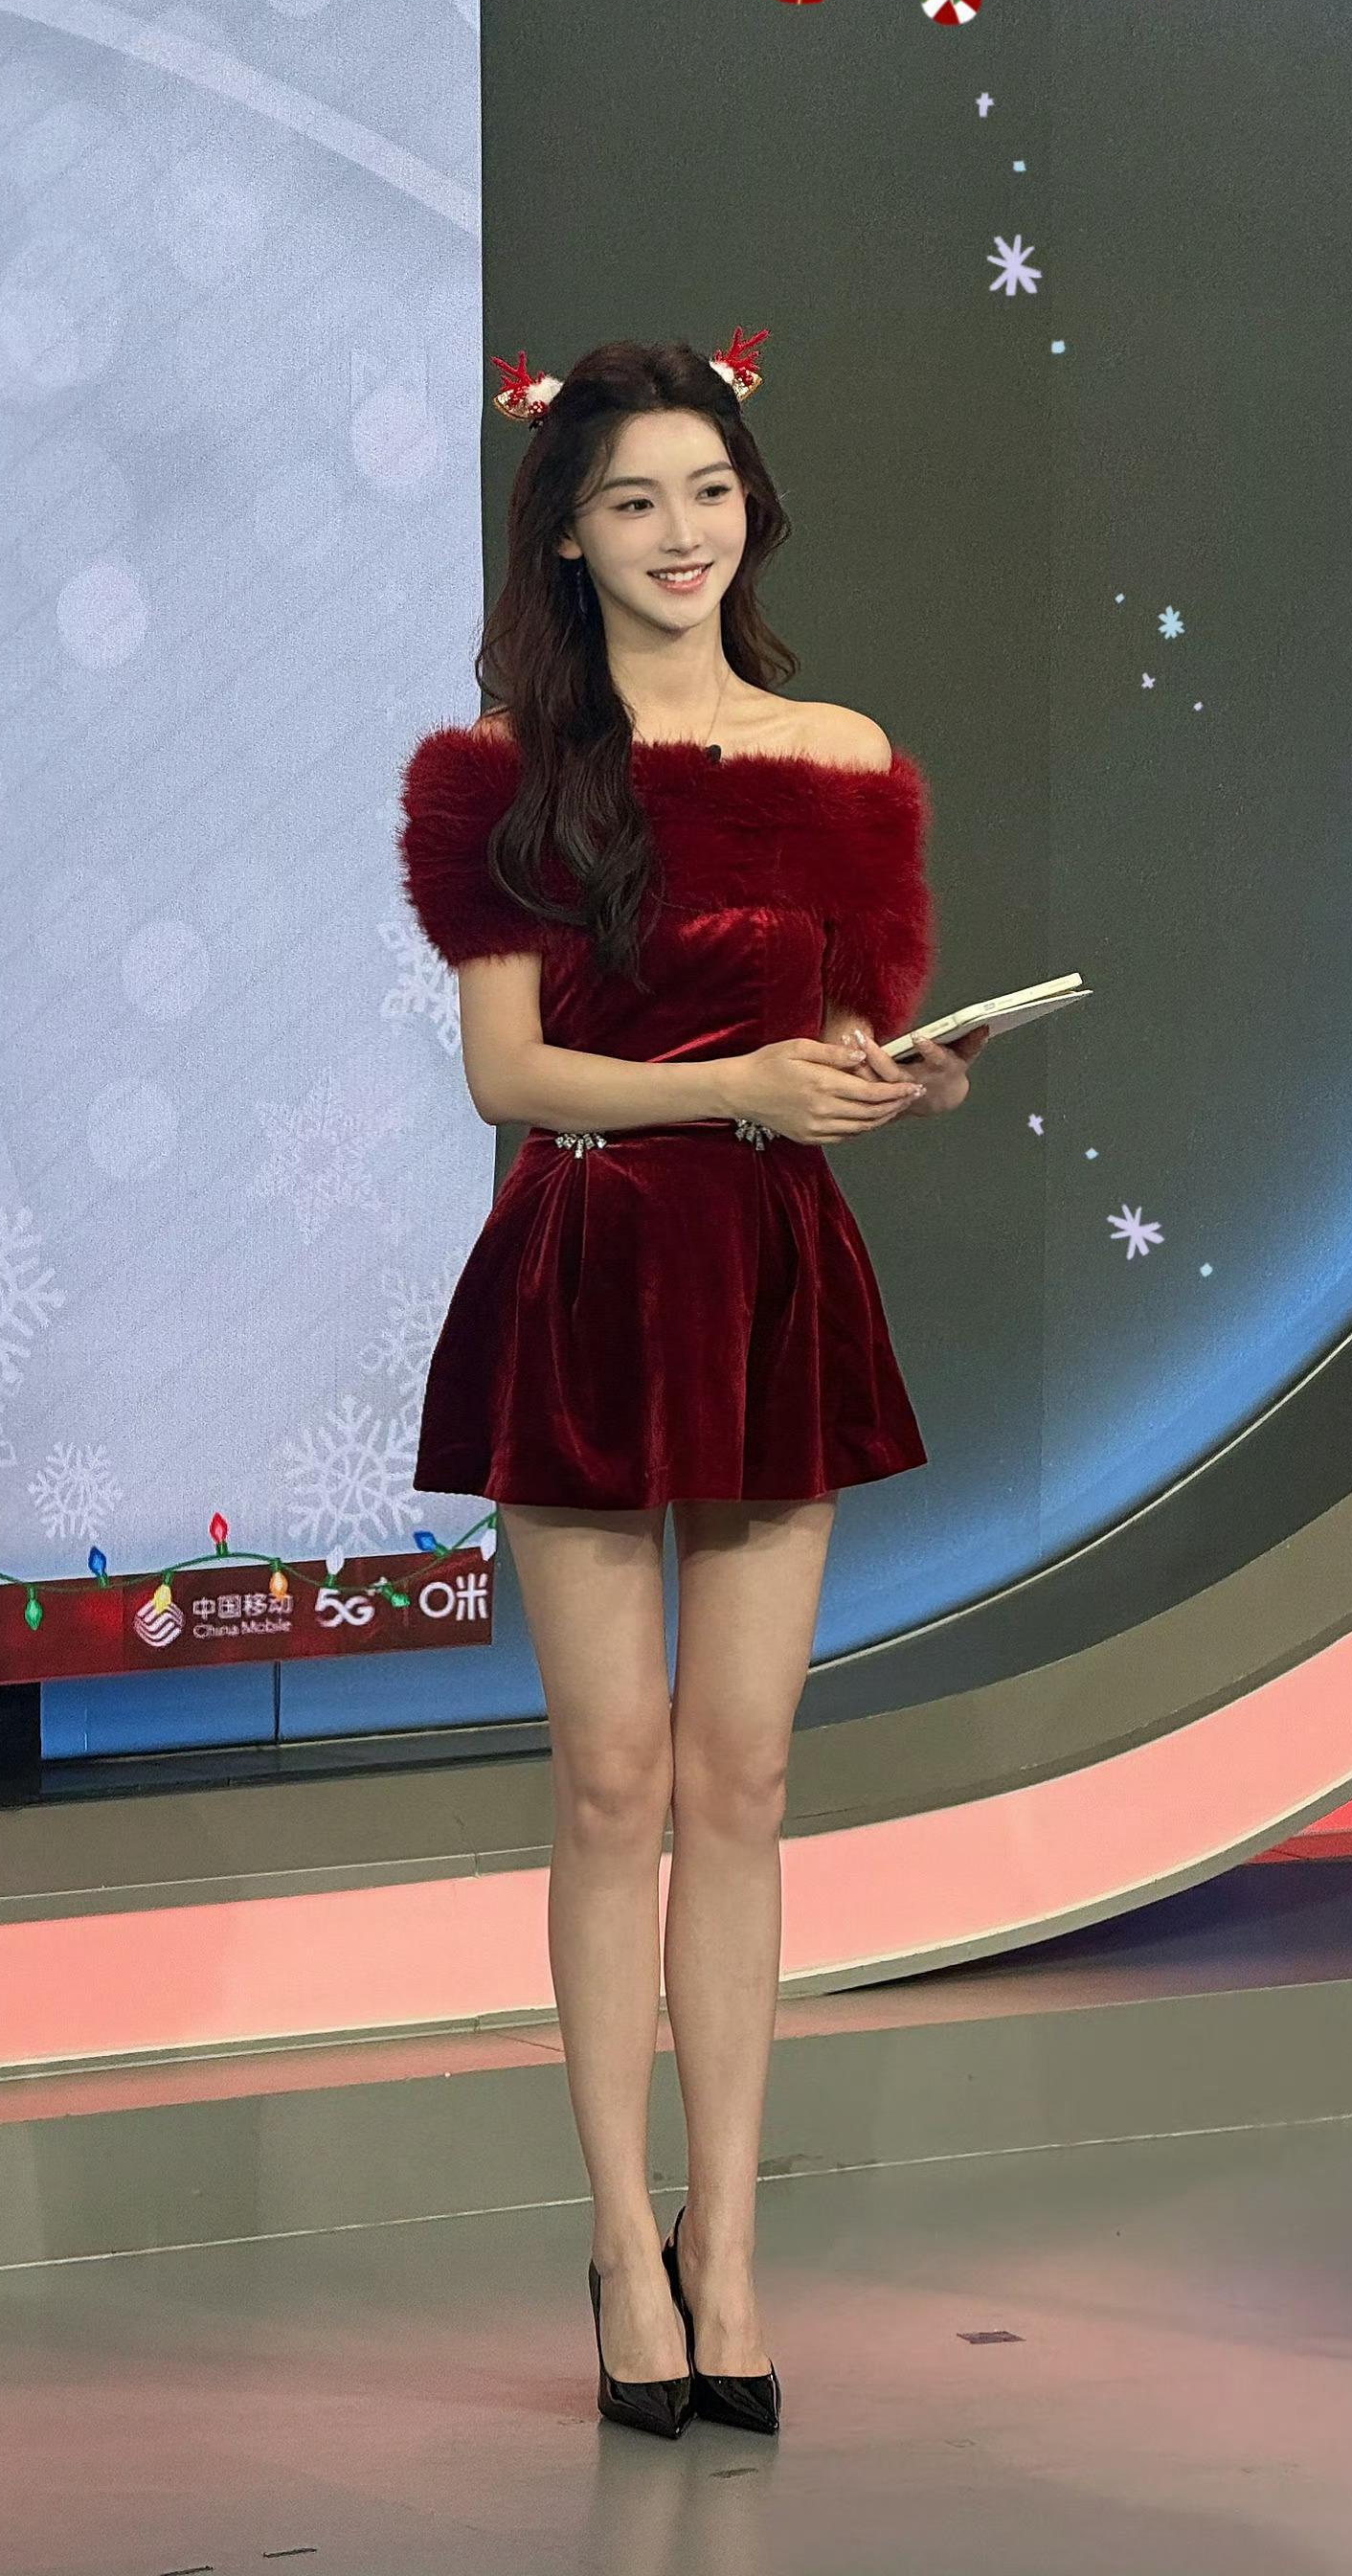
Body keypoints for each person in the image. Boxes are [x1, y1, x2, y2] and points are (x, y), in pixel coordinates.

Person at [395, 332, 989, 2439]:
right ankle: (615, 2242)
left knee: (744, 1783)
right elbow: (506, 1072)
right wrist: (732, 1084)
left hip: (772, 1275)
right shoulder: (497, 771)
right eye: (633, 500)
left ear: (754, 509)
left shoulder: (841, 751)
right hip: (589, 1267)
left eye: (709, 492)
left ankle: (727, 2250)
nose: (680, 534)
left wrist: (898, 1083)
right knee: (614, 1784)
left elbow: (852, 1039)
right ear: (567, 534)